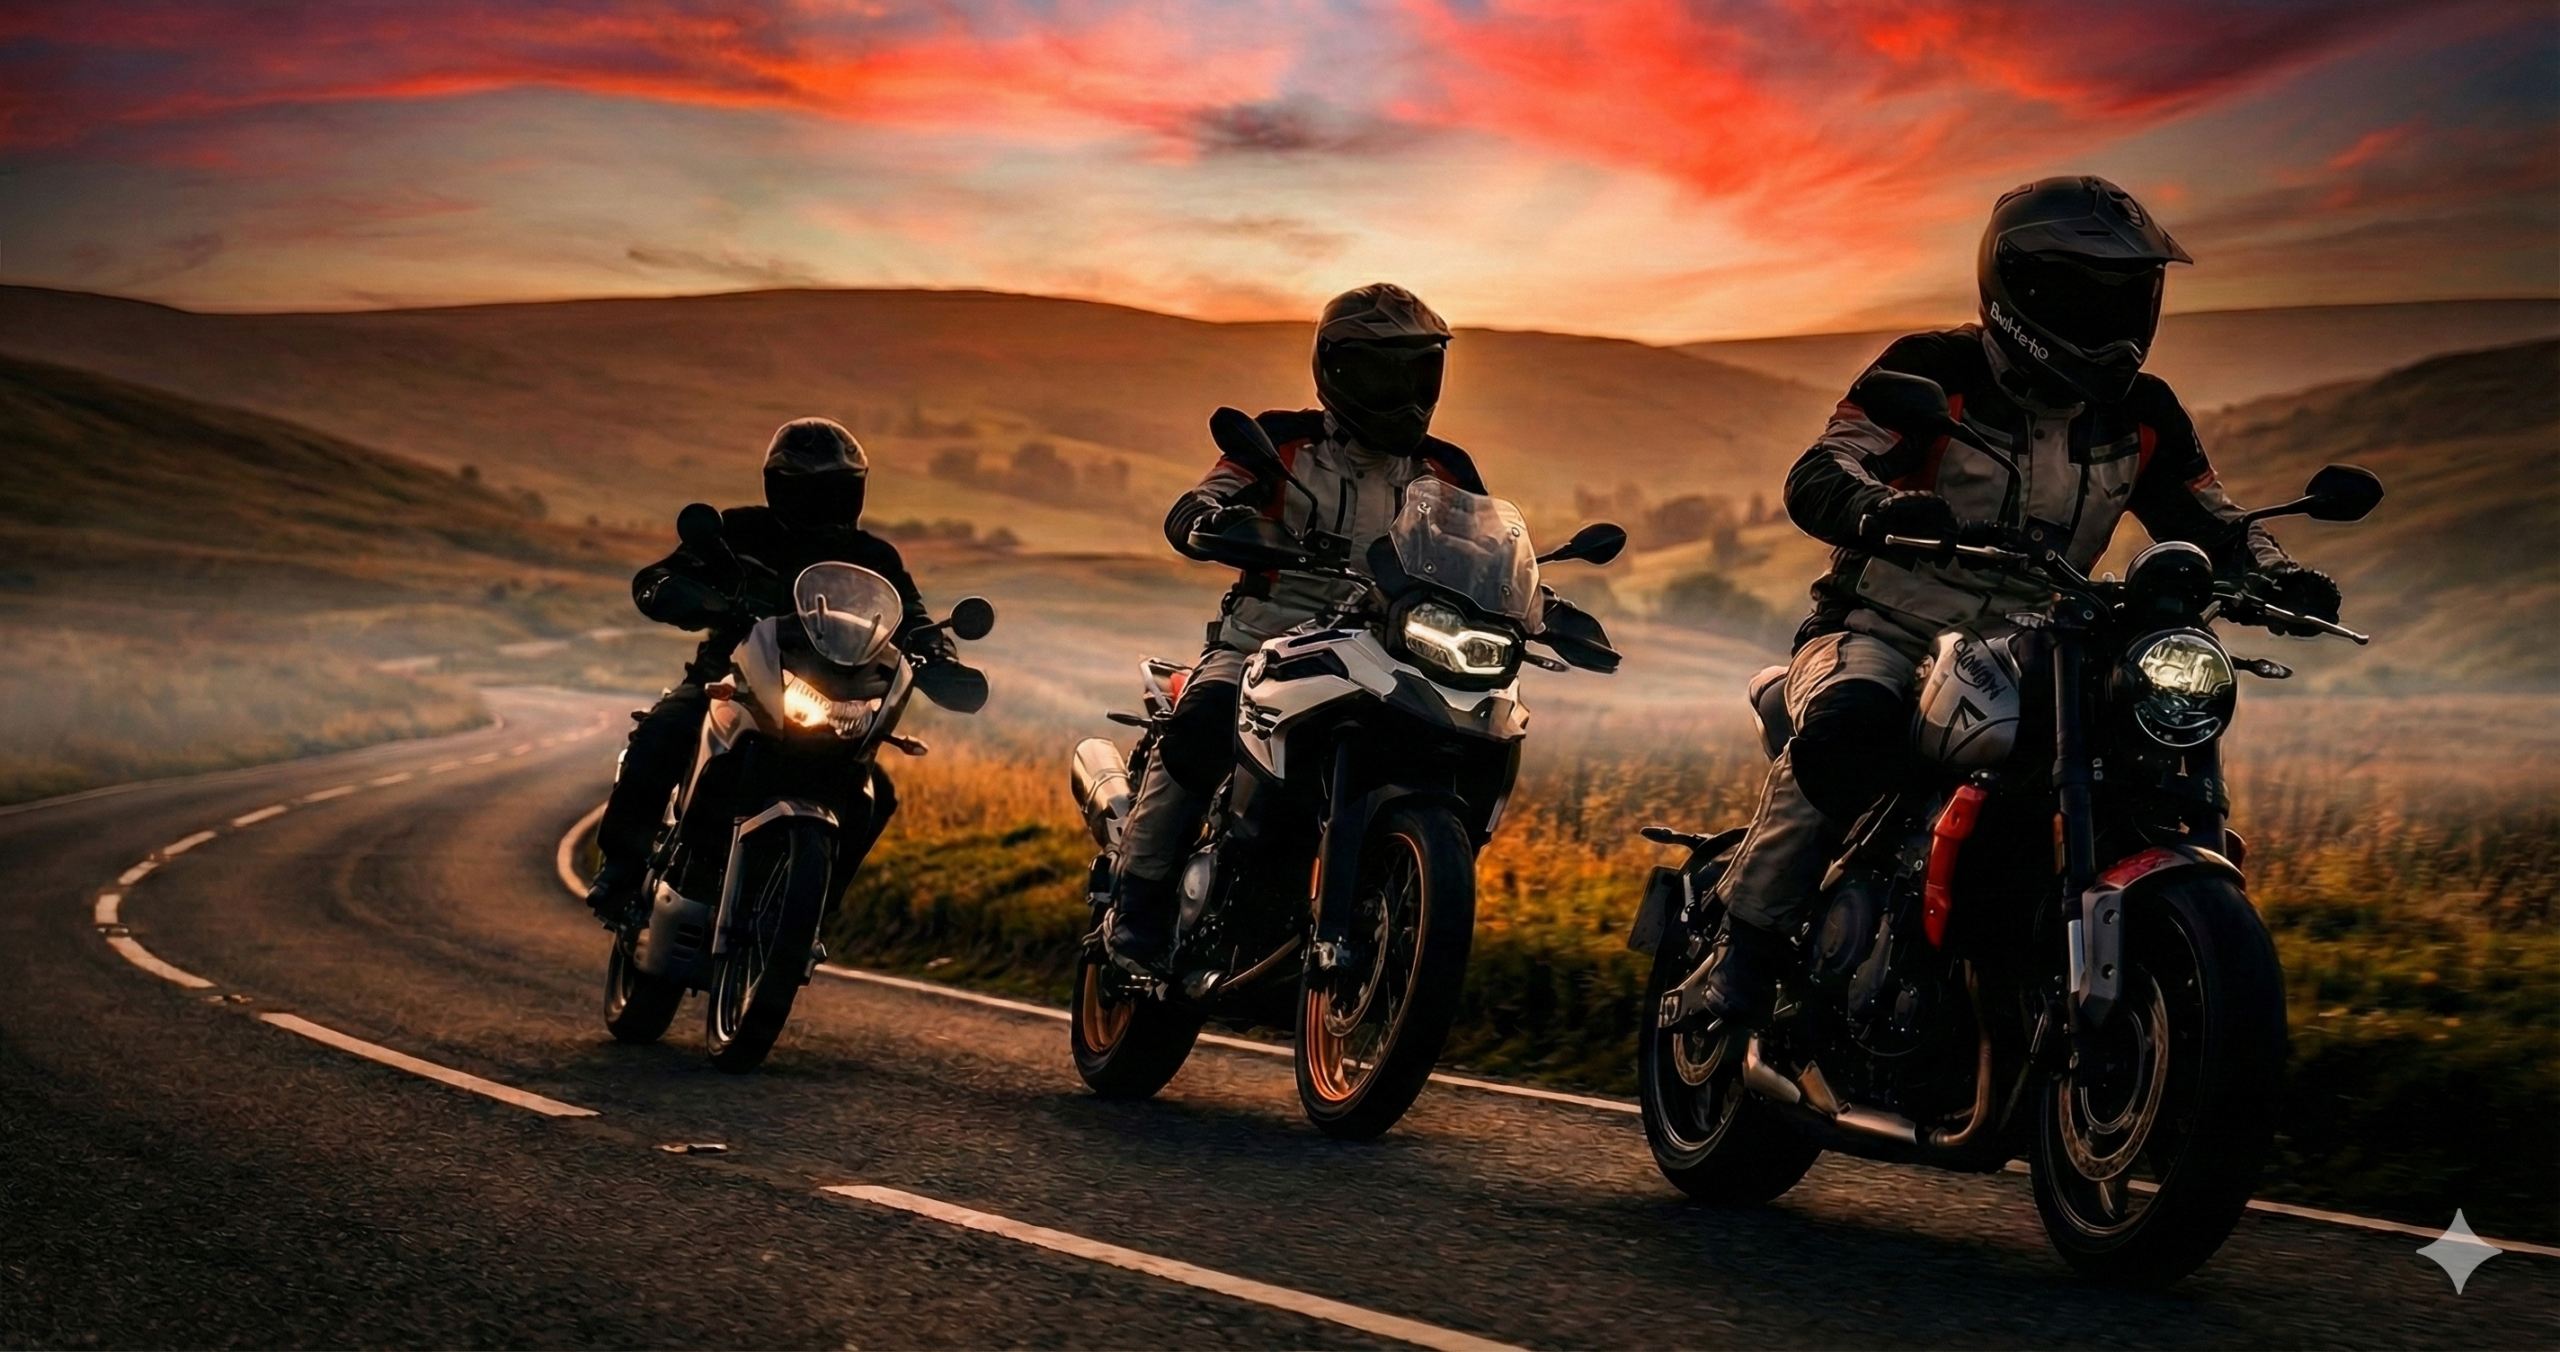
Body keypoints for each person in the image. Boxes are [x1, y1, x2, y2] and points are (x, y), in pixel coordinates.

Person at [1688, 176, 2343, 1024]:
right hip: (1885, 629)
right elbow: (1825, 467)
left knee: (2135, 759)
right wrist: (1877, 508)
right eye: (2087, 293)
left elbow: (2210, 516)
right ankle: (1744, 950)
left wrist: (2273, 571)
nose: (2113, 322)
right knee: (1850, 727)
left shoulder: (2142, 413)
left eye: (2131, 295)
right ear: (2021, 290)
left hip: (2044, 647)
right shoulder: (1934, 371)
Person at [1103, 282, 1487, 974]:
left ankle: (1400, 893)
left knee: (1459, 739)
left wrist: (1526, 593)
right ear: (1338, 370)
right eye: (1384, 371)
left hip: (1388, 653)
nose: (1405, 391)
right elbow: (1211, 493)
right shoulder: (1280, 441)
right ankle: (1140, 898)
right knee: (1203, 719)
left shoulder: (1446, 469)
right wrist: (1205, 518)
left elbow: (1481, 544)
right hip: (1263, 644)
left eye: (1420, 370)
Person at [584, 416, 957, 923]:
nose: (826, 503)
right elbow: (665, 575)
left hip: (832, 698)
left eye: (837, 490)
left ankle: (816, 915)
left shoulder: (873, 557)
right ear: (782, 489)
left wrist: (939, 657)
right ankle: (622, 868)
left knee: (876, 794)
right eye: (813, 491)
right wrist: (680, 591)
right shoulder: (738, 532)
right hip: (729, 684)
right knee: (665, 731)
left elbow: (910, 615)